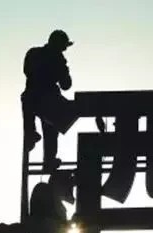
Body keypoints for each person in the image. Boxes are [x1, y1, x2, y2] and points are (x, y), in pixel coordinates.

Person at [21, 30, 105, 172]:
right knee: (53, 126)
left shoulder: (33, 53)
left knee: (34, 108)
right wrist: (63, 70)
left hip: (32, 98)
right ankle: (47, 157)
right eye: (64, 46)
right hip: (49, 100)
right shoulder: (57, 59)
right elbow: (66, 85)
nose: (65, 50)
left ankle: (31, 135)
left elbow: (27, 70)